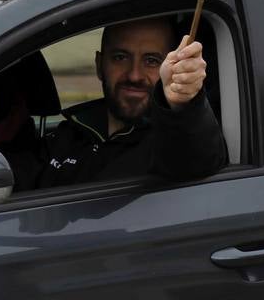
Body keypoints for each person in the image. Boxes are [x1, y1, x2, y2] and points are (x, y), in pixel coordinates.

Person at [31, 16, 227, 189]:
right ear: (99, 65)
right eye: (120, 57)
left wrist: (184, 102)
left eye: (151, 61)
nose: (134, 75)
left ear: (171, 68)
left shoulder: (169, 142)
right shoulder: (63, 137)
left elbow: (200, 159)